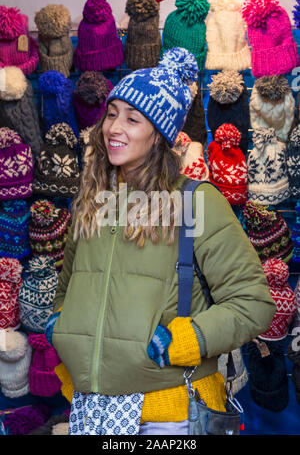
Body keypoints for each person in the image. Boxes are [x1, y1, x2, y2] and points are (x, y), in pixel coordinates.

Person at [45, 47, 276, 436]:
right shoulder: (92, 199)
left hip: (167, 415)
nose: (114, 127)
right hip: (90, 406)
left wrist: (186, 339)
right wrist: (61, 324)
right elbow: (68, 285)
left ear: (159, 135)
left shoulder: (194, 201)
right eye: (112, 113)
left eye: (133, 119)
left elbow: (254, 303)